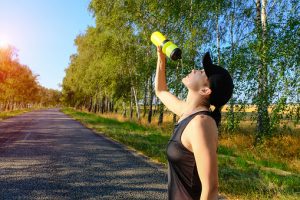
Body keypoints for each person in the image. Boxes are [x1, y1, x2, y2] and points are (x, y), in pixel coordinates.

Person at [155, 46, 234, 200]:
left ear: (205, 90)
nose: (197, 70)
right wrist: (161, 56)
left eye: (203, 72)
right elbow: (160, 91)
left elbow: (211, 189)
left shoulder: (201, 123)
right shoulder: (188, 113)